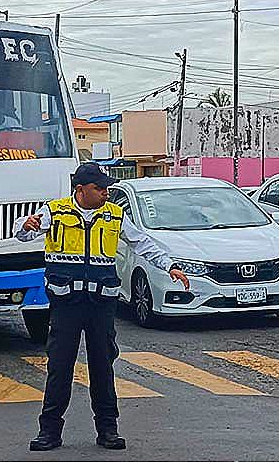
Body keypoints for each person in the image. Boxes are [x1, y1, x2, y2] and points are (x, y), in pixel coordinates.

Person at [14, 162, 189, 452]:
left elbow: (142, 243)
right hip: (66, 304)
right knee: (59, 368)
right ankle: (49, 432)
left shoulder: (114, 215)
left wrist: (169, 265)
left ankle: (108, 430)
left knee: (103, 368)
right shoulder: (55, 212)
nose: (106, 193)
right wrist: (26, 225)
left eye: (106, 188)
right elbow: (22, 232)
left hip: (101, 305)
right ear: (80, 190)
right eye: (99, 188)